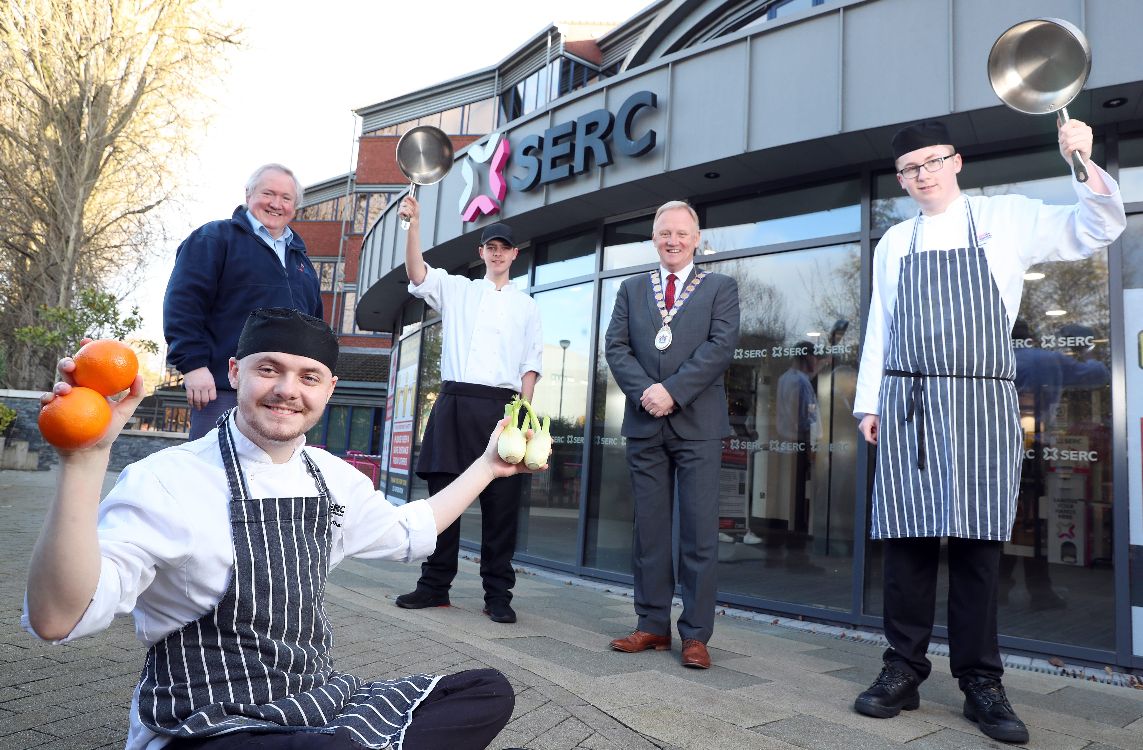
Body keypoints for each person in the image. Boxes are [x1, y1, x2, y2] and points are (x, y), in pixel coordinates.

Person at [24, 308, 543, 750]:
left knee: (487, 690)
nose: (286, 391)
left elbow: (410, 530)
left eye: (308, 377)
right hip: (206, 719)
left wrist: (487, 467)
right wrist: (86, 461)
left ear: (330, 389)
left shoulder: (333, 477)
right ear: (235, 371)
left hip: (314, 701)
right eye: (268, 370)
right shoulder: (164, 480)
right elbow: (57, 618)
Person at [852, 119, 1126, 744]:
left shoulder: (1009, 217)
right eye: (910, 169)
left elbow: (1098, 227)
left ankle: (981, 681)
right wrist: (870, 403)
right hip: (909, 399)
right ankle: (902, 670)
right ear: (901, 179)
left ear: (957, 161)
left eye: (932, 162)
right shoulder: (896, 241)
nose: (922, 175)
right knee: (909, 542)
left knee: (978, 547)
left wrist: (1079, 160)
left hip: (982, 400)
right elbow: (882, 324)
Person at [604, 200, 740, 670]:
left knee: (699, 533)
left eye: (682, 233)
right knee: (650, 532)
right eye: (664, 233)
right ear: (654, 237)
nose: (673, 240)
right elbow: (615, 346)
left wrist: (673, 392)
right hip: (646, 423)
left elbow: (720, 347)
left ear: (697, 237)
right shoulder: (630, 288)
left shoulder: (720, 288)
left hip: (698, 425)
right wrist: (648, 393)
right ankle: (652, 625)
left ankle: (697, 635)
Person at [393, 195, 542, 625]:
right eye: (489, 247)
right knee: (443, 499)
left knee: (501, 507)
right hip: (455, 402)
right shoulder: (458, 289)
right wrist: (414, 223)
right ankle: (434, 587)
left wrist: (523, 421)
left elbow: (530, 367)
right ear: (481, 253)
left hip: (502, 409)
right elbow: (416, 272)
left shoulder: (527, 306)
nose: (496, 253)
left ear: (515, 254)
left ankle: (498, 594)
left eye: (503, 247)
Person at [164, 164, 323, 440]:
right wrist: (192, 364)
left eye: (286, 198)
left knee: (271, 478)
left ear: (294, 206)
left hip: (284, 398)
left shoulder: (302, 261)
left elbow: (314, 326)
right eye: (268, 193)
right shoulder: (214, 238)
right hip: (223, 389)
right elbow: (183, 303)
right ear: (248, 194)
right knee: (213, 476)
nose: (276, 204)